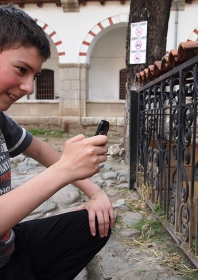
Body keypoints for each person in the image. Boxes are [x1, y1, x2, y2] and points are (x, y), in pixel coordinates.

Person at [0, 4, 115, 279]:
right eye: (20, 69)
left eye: (35, 76)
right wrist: (64, 171)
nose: (29, 88)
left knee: (96, 223)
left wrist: (95, 193)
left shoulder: (1, 120)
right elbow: (59, 166)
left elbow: (40, 150)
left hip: (10, 245)